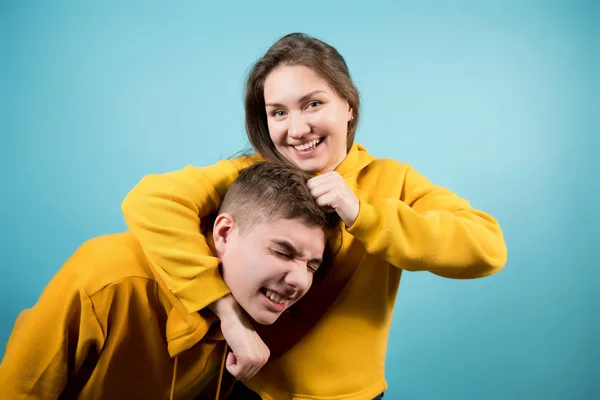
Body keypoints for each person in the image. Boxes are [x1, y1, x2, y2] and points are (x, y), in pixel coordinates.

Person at [121, 33, 508, 400]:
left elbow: (487, 248)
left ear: (349, 106)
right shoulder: (250, 172)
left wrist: (362, 215)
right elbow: (151, 201)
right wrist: (227, 312)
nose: (297, 128)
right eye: (278, 112)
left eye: (313, 104)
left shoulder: (394, 180)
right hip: (245, 386)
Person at [0, 161, 338, 400]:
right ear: (224, 232)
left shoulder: (251, 301)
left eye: (311, 265)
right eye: (282, 251)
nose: (298, 281)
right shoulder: (106, 280)